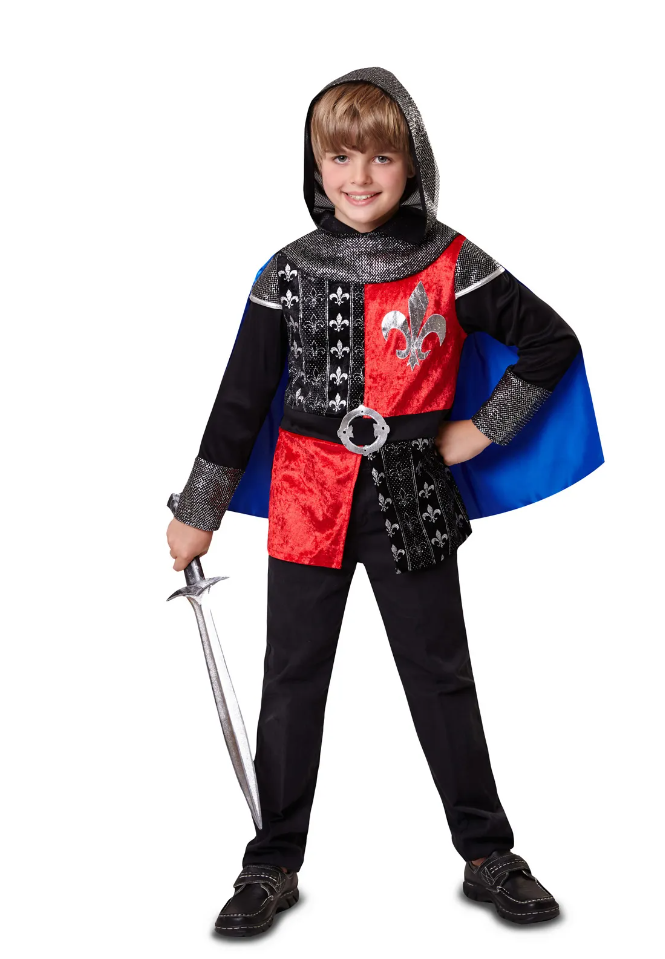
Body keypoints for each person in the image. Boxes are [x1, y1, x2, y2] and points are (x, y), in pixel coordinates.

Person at [167, 67, 603, 937]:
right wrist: (199, 507)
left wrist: (477, 433)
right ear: (315, 166)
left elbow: (549, 341)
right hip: (306, 493)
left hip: (411, 491)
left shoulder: (451, 261)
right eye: (339, 157)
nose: (359, 176)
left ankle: (486, 852)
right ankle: (271, 862)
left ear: (412, 165)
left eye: (379, 157)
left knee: (440, 674)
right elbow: (241, 397)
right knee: (291, 679)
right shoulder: (287, 270)